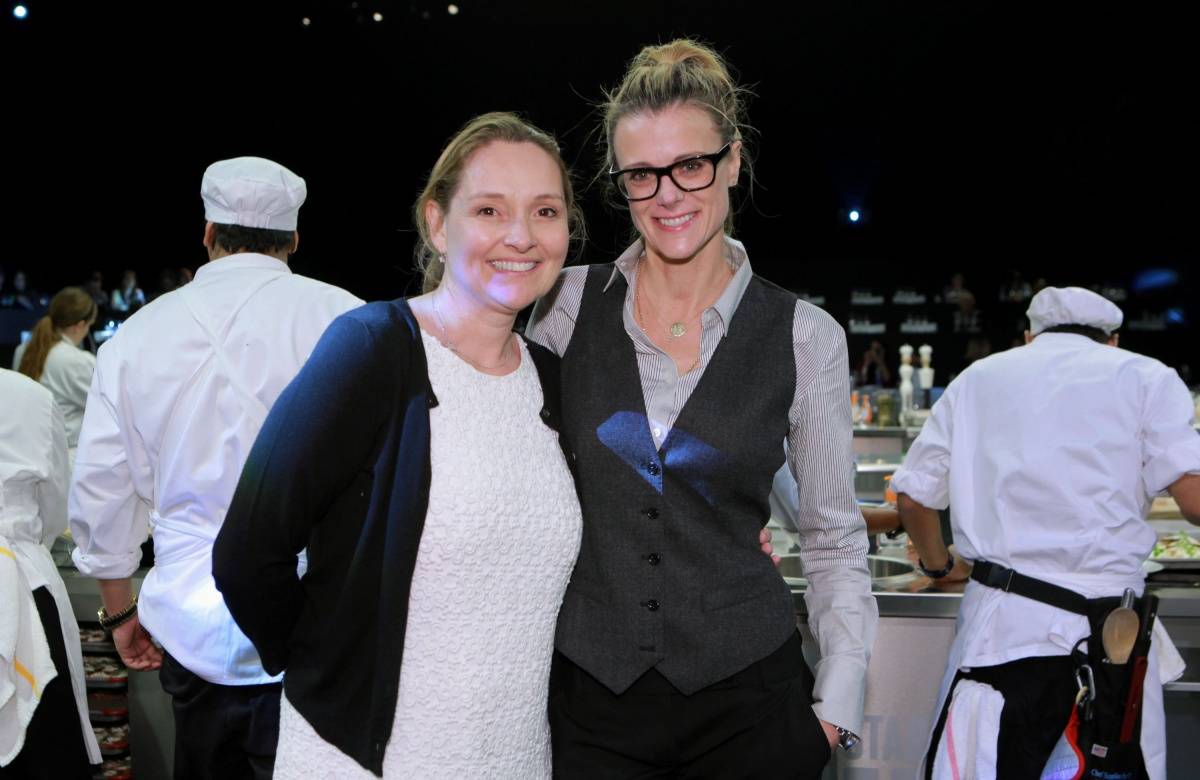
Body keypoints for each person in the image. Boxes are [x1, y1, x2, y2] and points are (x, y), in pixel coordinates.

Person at [527, 39, 876, 778]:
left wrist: (835, 710)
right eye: (642, 175)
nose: (669, 194)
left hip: (751, 706)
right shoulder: (560, 308)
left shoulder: (806, 337)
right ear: (619, 182)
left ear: (734, 162)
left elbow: (833, 539)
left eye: (691, 165)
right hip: (591, 706)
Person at [212, 112, 582, 779]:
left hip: (517, 759)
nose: (521, 236)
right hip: (369, 759)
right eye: (490, 209)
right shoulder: (373, 348)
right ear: (438, 224)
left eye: (545, 211)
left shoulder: (553, 380)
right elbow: (247, 551)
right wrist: (327, 669)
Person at [68, 156, 362, 780]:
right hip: (313, 612)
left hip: (190, 618)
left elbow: (103, 488)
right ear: (295, 238)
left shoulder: (138, 335)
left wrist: (120, 613)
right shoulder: (347, 319)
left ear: (207, 232)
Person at [892, 286, 1200, 779]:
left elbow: (913, 500)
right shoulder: (1147, 376)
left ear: (1030, 336)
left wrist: (940, 565)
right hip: (1109, 641)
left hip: (1003, 633)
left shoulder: (980, 377)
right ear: (1113, 340)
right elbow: (1195, 501)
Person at [0, 368, 102, 778]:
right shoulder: (28, 395)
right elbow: (56, 507)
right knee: (44, 756)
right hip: (22, 580)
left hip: (20, 580)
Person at [14, 287, 98, 450]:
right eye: (89, 325)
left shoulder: (22, 351)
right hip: (68, 457)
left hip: (29, 450)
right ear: (80, 325)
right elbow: (109, 408)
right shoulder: (79, 361)